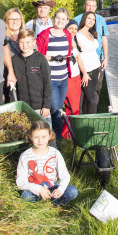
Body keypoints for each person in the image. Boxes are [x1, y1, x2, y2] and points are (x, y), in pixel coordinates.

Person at [16, 120, 78, 206]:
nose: (40, 140)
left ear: (49, 136)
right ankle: (39, 204)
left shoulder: (55, 153)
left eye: (44, 137)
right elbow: (20, 182)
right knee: (25, 195)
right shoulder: (25, 156)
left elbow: (65, 175)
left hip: (52, 188)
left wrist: (60, 189)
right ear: (30, 136)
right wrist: (39, 189)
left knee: (73, 191)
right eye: (36, 137)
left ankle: (54, 202)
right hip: (35, 190)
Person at [36, 8, 72, 141]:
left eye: (63, 19)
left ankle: (52, 136)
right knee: (56, 110)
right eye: (58, 18)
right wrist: (51, 58)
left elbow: (68, 52)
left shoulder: (67, 34)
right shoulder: (45, 35)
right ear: (53, 18)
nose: (60, 21)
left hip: (63, 78)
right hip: (51, 79)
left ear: (67, 21)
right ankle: (56, 140)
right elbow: (38, 56)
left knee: (58, 109)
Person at [73, 0, 109, 113]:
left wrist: (105, 58)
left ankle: (90, 115)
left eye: (93, 6)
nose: (91, 8)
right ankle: (84, 118)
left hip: (97, 64)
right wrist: (83, 72)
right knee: (85, 96)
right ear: (84, 6)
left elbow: (104, 39)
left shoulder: (98, 22)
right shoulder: (77, 21)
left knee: (94, 92)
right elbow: (76, 50)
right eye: (89, 6)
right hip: (84, 67)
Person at [12, 30, 51, 124]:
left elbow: (47, 83)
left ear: (34, 43)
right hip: (23, 107)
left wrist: (46, 105)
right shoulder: (14, 60)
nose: (25, 45)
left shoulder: (40, 58)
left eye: (28, 42)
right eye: (21, 42)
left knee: (44, 132)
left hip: (40, 107)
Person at [76, 11, 102, 114]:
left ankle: (88, 123)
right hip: (86, 71)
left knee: (89, 100)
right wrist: (84, 73)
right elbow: (78, 57)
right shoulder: (78, 35)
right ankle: (91, 123)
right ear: (84, 19)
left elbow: (93, 53)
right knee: (91, 100)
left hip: (96, 69)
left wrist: (99, 69)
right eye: (89, 18)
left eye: (93, 19)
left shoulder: (91, 34)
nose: (91, 21)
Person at [62, 20, 83, 139]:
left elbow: (78, 58)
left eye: (75, 29)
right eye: (71, 28)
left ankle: (72, 130)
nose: (73, 31)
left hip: (76, 75)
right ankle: (66, 133)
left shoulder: (74, 40)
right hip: (68, 76)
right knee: (72, 106)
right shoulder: (64, 41)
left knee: (75, 106)